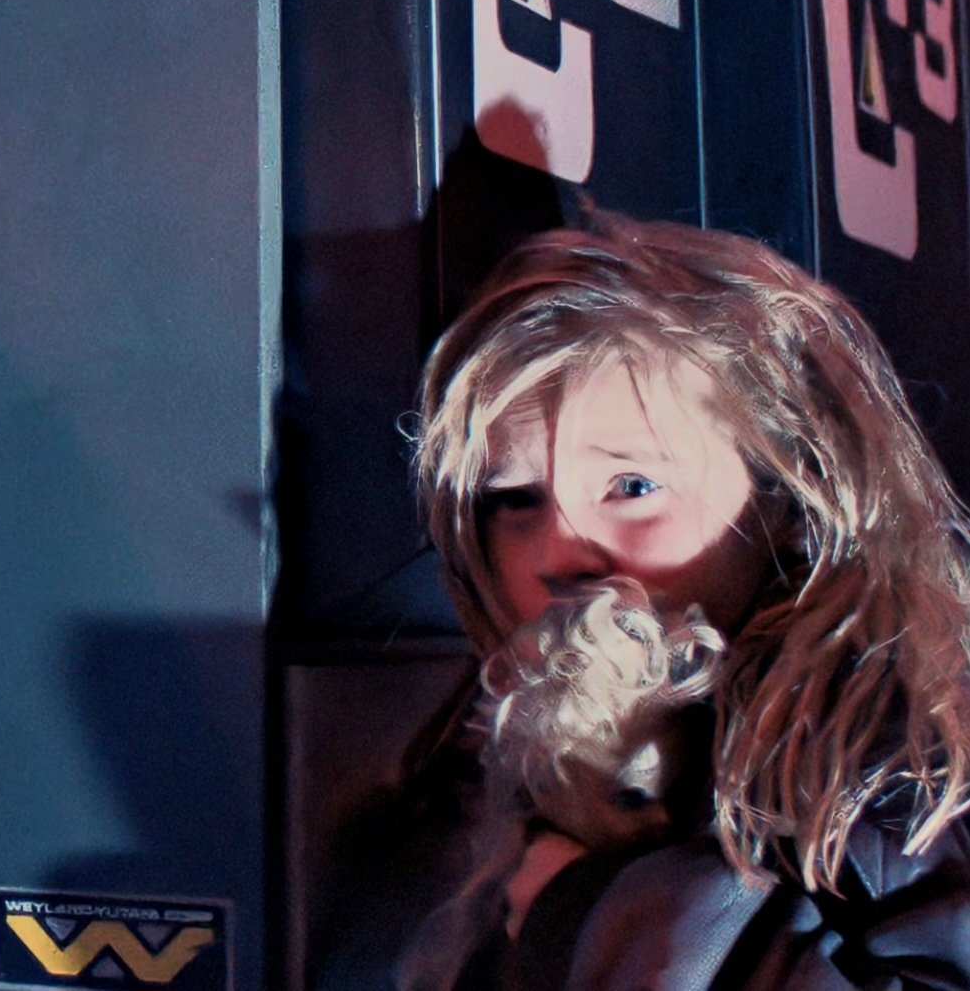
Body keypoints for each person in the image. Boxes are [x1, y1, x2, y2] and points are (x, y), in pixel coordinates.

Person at [404, 213, 970, 989]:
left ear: (781, 490)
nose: (559, 553)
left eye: (632, 485)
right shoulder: (482, 760)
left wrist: (583, 910)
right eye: (515, 499)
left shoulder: (895, 758)